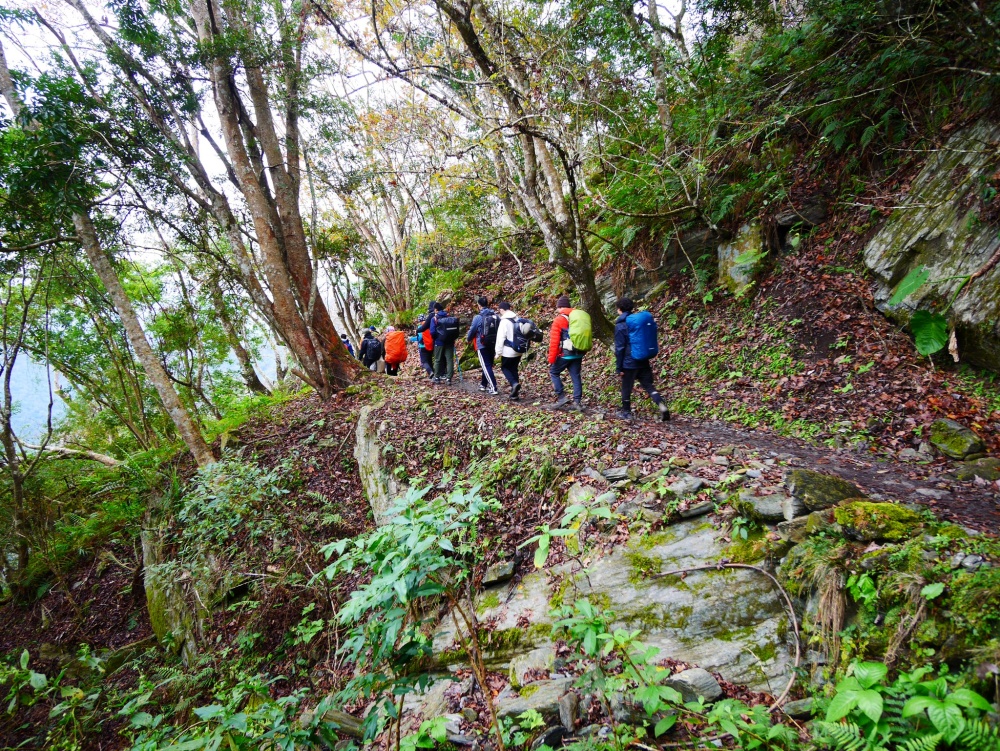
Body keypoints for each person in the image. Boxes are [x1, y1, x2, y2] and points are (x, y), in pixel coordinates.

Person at [614, 297, 670, 422]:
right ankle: (661, 404)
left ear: (620, 310)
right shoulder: (637, 323)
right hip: (643, 360)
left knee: (626, 388)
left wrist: (619, 368)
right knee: (648, 385)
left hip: (629, 363)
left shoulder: (621, 325)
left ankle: (626, 413)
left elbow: (620, 348)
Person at [547, 295, 585, 411]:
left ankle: (562, 397)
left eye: (557, 308)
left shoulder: (559, 319)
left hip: (566, 354)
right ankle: (577, 402)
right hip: (578, 353)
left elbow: (554, 342)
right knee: (576, 376)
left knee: (554, 372)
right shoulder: (578, 317)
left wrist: (552, 359)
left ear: (560, 307)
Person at [467, 295, 499, 394]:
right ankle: (483, 385)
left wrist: (468, 338)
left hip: (482, 344)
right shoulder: (495, 315)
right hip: (493, 343)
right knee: (488, 365)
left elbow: (472, 330)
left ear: (479, 305)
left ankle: (493, 387)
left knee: (486, 365)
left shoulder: (478, 317)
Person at [495, 302, 523, 400]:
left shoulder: (504, 321)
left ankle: (514, 384)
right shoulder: (517, 318)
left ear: (502, 310)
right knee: (514, 369)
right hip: (519, 349)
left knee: (505, 367)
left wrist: (498, 352)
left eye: (500, 310)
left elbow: (500, 338)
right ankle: (515, 394)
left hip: (508, 351)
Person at [430, 302, 460, 384]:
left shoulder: (434, 319)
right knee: (449, 359)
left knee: (437, 359)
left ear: (436, 310)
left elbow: (432, 332)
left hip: (439, 342)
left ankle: (436, 377)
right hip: (449, 341)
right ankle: (449, 378)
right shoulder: (449, 317)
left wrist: (436, 338)